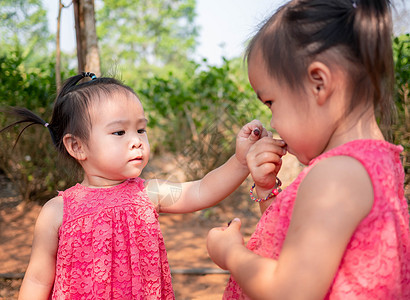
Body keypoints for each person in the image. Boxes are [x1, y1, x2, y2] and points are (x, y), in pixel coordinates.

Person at [0, 72, 270, 299]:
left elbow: (201, 190)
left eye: (141, 129)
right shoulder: (57, 211)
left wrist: (240, 160)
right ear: (77, 146)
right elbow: (37, 280)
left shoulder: (148, 194)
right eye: (120, 132)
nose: (137, 140)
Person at [206, 0, 410, 299]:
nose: (272, 121)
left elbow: (290, 291)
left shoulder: (337, 174)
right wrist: (266, 189)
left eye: (271, 103)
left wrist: (231, 254)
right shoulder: (376, 160)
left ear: (319, 83)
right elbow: (297, 241)